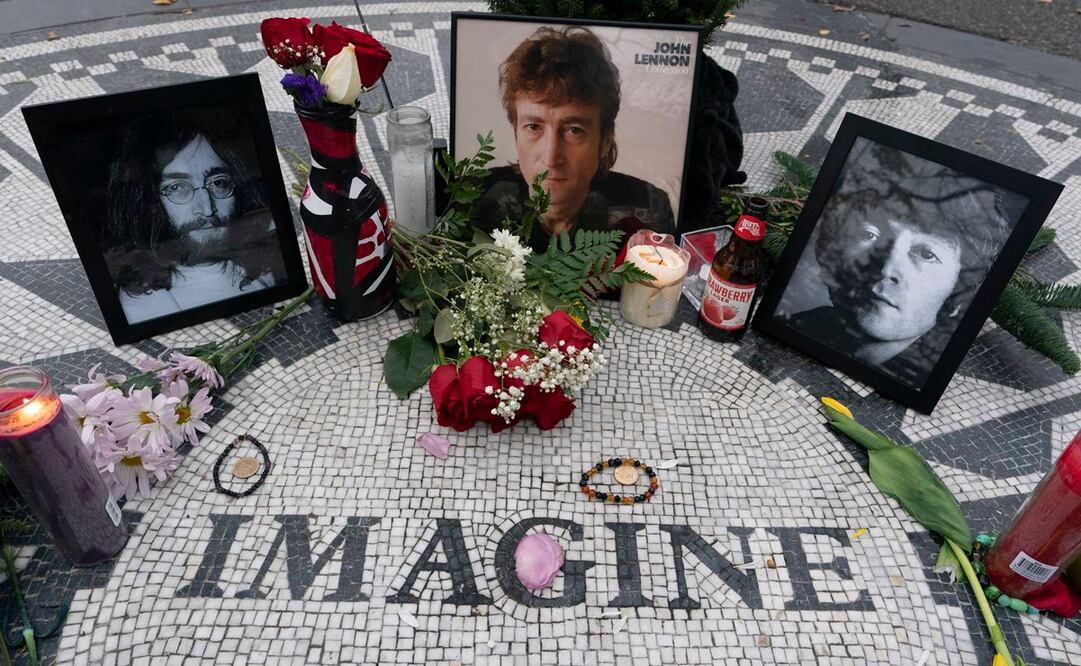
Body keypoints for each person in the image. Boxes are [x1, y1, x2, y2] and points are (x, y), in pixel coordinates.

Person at [779, 140, 1018, 387]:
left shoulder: (920, 377)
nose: (885, 269)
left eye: (926, 253)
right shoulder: (800, 326)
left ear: (959, 293)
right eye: (869, 235)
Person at [472, 25, 675, 251]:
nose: (551, 157)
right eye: (533, 127)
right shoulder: (474, 198)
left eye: (574, 130)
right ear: (516, 133)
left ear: (605, 140)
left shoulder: (649, 209)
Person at [104, 113, 287, 324]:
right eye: (177, 187)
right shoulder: (143, 307)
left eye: (218, 183)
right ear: (149, 201)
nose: (207, 209)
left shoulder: (266, 268)